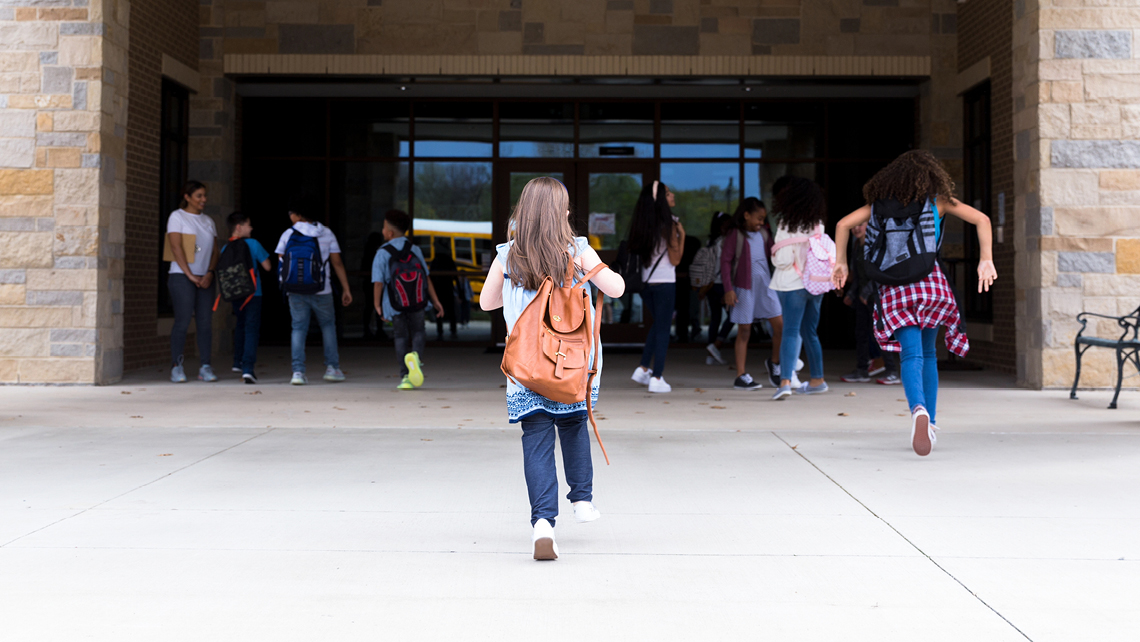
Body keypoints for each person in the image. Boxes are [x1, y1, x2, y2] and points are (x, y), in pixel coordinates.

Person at [479, 177, 625, 561]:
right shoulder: (577, 250)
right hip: (573, 364)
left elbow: (486, 303)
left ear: (523, 212)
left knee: (537, 440)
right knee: (574, 425)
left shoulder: (507, 255)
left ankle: (543, 524)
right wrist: (588, 268)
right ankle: (582, 499)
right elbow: (617, 289)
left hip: (526, 368)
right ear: (561, 212)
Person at [833, 150, 996, 456]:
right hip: (931, 283)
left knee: (911, 355)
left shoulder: (878, 206)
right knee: (929, 355)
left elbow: (842, 224)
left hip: (896, 288)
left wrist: (841, 263)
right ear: (931, 176)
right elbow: (982, 219)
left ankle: (917, 410)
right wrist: (985, 259)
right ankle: (930, 422)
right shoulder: (938, 201)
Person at [275, 203, 353, 385]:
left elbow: (281, 261)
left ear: (299, 215)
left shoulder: (288, 234)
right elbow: (337, 263)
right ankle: (332, 368)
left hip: (295, 290)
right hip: (322, 289)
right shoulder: (326, 233)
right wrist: (346, 288)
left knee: (298, 328)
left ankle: (298, 372)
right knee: (327, 326)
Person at [769, 176, 830, 400]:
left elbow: (782, 260)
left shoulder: (786, 224)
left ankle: (785, 381)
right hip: (815, 285)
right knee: (810, 333)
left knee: (790, 332)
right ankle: (817, 379)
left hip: (791, 284)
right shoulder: (818, 224)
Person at [372, 209, 445, 390]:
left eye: (383, 228)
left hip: (395, 303)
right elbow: (426, 278)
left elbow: (378, 283)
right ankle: (416, 357)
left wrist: (377, 305)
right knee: (419, 331)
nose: (382, 231)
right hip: (418, 302)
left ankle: (405, 376)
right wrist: (435, 301)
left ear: (389, 232)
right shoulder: (415, 249)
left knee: (400, 336)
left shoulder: (382, 253)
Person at [720, 197, 785, 390]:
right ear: (746, 215)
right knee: (744, 331)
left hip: (766, 287)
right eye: (758, 218)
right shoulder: (735, 235)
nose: (760, 222)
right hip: (744, 289)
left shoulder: (764, 234)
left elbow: (775, 254)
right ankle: (741, 375)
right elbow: (725, 262)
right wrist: (728, 289)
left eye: (763, 219)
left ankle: (774, 363)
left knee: (780, 326)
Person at [627, 180, 685, 393]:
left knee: (658, 325)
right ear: (660, 199)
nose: (672, 196)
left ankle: (643, 369)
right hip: (665, 283)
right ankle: (657, 377)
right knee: (663, 329)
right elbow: (676, 259)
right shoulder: (668, 224)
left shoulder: (642, 224)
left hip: (645, 284)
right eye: (668, 193)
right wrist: (683, 235)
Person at [167, 180, 219, 383]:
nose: (203, 199)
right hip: (182, 277)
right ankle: (176, 366)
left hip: (205, 277)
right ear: (187, 197)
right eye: (199, 196)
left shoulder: (208, 221)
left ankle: (205, 366)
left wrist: (210, 272)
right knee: (183, 320)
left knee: (205, 323)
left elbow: (213, 250)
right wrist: (189, 274)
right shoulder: (177, 217)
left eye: (204, 195)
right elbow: (176, 246)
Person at [839, 221, 898, 385]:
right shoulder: (857, 245)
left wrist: (866, 293)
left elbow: (880, 273)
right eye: (854, 226)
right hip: (862, 298)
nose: (856, 228)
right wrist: (852, 293)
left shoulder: (876, 245)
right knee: (861, 333)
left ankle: (892, 371)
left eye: (860, 225)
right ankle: (862, 370)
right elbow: (857, 275)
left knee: (880, 333)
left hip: (877, 296)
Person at [223, 212, 272, 384]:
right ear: (239, 227)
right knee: (252, 328)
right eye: (248, 224)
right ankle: (248, 369)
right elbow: (267, 266)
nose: (251, 228)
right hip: (254, 293)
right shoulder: (253, 244)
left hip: (236, 295)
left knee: (240, 325)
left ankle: (238, 362)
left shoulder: (225, 248)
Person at [692, 212, 734, 364]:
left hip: (710, 285)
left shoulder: (711, 241)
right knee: (733, 316)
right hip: (722, 284)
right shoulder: (726, 242)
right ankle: (717, 345)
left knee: (715, 318)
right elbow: (726, 265)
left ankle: (711, 354)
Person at [674, 233, 702, 343]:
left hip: (685, 282)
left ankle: (683, 333)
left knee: (684, 309)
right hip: (688, 282)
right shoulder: (688, 253)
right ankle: (687, 332)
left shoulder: (681, 253)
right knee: (688, 309)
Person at [429, 238, 458, 340]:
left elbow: (430, 277)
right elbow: (456, 276)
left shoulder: (436, 261)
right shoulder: (447, 260)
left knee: (443, 310)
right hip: (445, 289)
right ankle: (450, 330)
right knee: (449, 311)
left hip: (440, 290)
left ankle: (443, 331)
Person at [360, 232, 387, 340]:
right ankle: (376, 329)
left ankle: (370, 329)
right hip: (372, 283)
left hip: (369, 283)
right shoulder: (375, 253)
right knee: (375, 306)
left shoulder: (369, 252)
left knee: (370, 307)